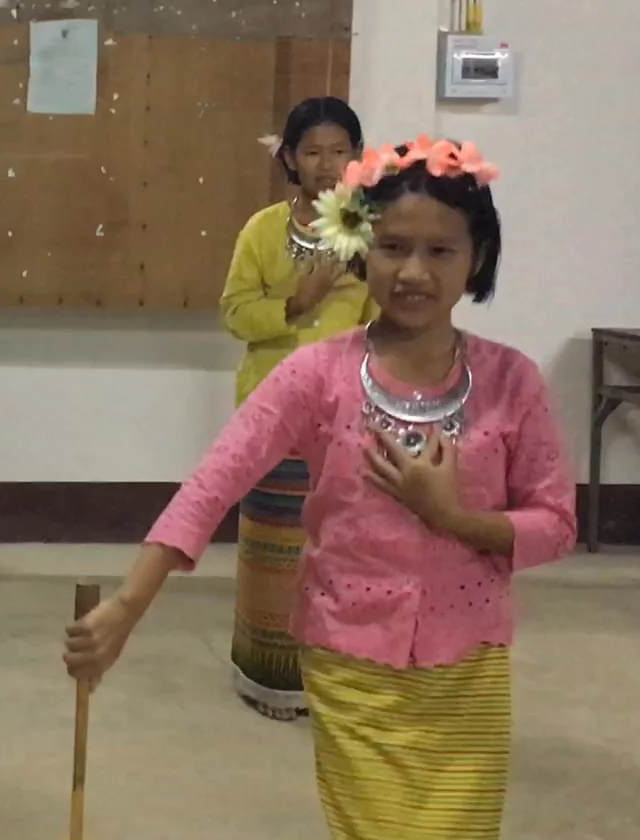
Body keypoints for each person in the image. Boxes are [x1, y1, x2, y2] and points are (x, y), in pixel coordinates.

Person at [64, 136, 576, 840]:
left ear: (477, 258)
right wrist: (127, 605)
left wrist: (455, 518)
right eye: (394, 247)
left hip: (469, 668)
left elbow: (556, 521)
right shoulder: (316, 375)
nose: (414, 272)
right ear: (359, 249)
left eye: (441, 251)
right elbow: (213, 484)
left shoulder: (512, 380)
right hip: (349, 659)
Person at [221, 97, 373, 721]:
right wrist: (298, 302)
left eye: (339, 150)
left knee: (343, 552)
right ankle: (269, 679)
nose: (326, 164)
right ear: (289, 158)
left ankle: (336, 680)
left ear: (357, 158)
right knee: (273, 548)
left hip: (348, 415)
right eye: (312, 152)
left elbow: (390, 324)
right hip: (273, 408)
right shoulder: (262, 229)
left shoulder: (373, 232)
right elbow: (234, 313)